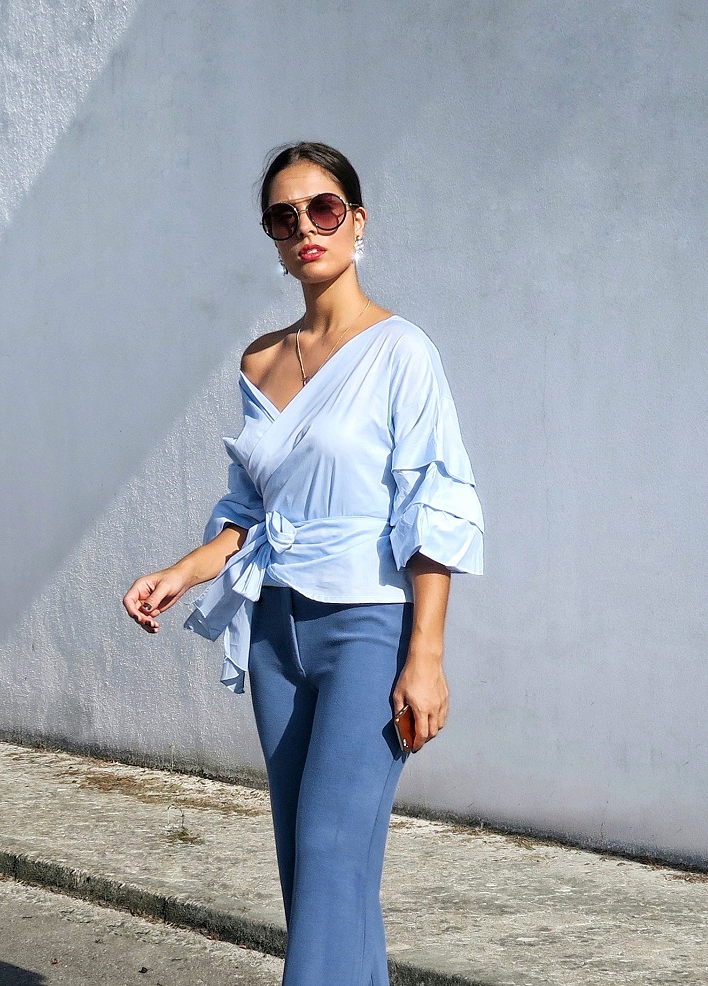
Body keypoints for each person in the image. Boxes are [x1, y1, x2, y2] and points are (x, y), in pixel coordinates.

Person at [123, 141, 484, 986]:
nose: (305, 229)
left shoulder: (402, 352)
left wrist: (426, 656)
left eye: (323, 209)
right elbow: (251, 511)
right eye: (284, 218)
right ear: (273, 238)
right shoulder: (259, 360)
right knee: (316, 870)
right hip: (276, 632)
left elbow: (432, 507)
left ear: (357, 221)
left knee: (329, 853)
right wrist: (183, 572)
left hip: (368, 627)